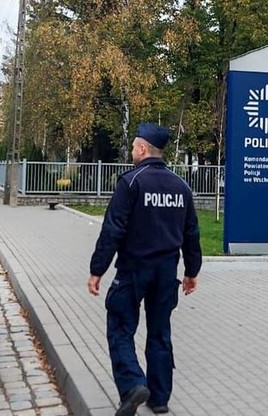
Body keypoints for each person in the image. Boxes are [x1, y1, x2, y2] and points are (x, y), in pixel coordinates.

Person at [87, 122, 202, 416]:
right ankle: (159, 399)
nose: (132, 151)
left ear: (142, 148)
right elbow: (191, 233)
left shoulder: (131, 182)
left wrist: (97, 269)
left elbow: (113, 229)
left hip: (134, 269)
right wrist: (192, 272)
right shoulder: (181, 186)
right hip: (166, 272)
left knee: (120, 327)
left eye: (133, 147)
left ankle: (133, 385)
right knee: (160, 332)